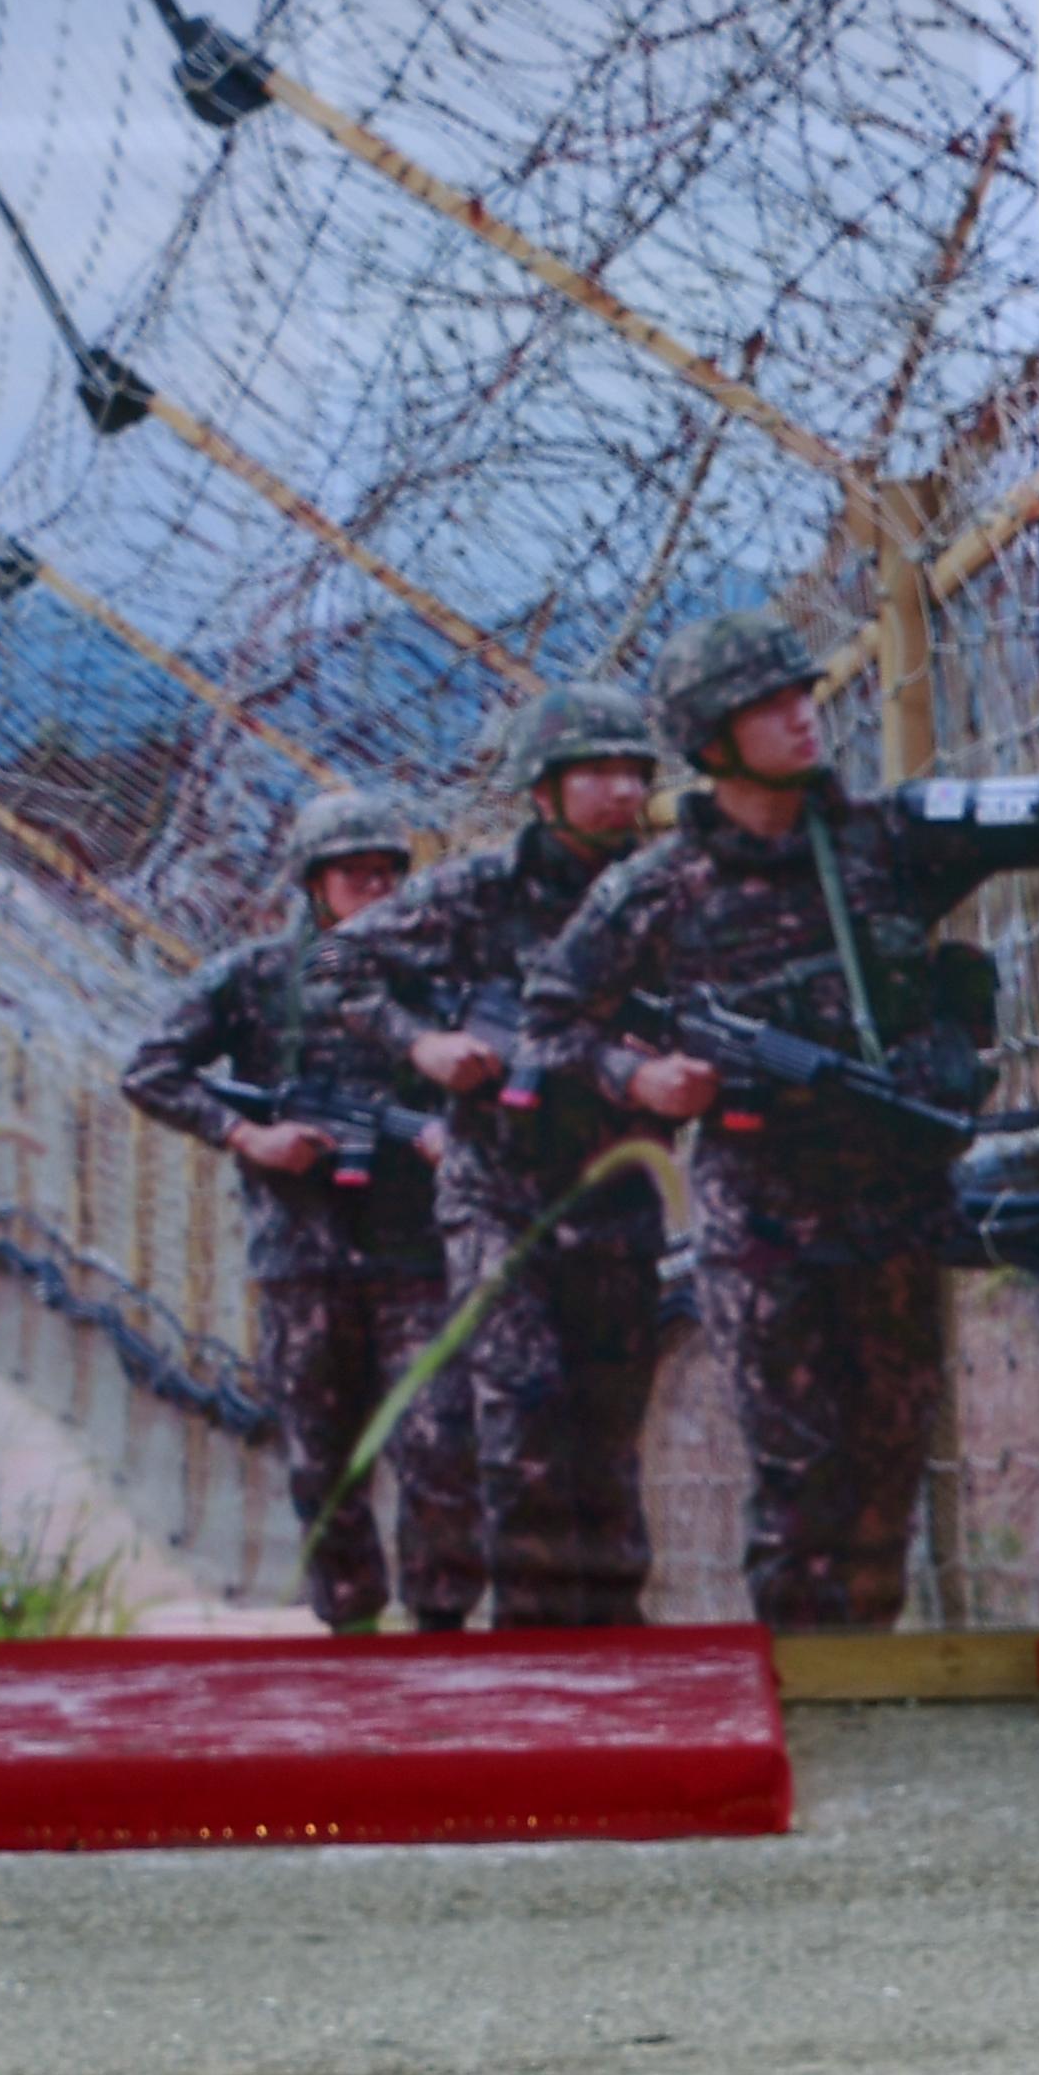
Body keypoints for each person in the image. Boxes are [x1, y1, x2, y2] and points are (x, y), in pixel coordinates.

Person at [520, 614, 1039, 1628]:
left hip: (893, 1204)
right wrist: (641, 1075)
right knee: (797, 1465)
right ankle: (803, 1685)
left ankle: (869, 1670)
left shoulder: (890, 840)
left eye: (802, 695)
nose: (803, 716)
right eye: (769, 705)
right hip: (763, 1218)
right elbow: (547, 1025)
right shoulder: (657, 889)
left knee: (887, 1456)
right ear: (712, 737)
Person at [318, 686, 674, 1627]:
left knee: (606, 1433)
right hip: (496, 1196)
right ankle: (532, 1638)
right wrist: (419, 1043)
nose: (623, 790)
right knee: (518, 1422)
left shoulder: (666, 889)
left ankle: (614, 1640)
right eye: (597, 771)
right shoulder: (475, 892)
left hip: (614, 1193)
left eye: (636, 770)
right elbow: (333, 968)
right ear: (544, 789)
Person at [121, 791, 473, 1632]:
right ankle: (350, 1627)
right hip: (301, 1263)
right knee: (324, 1464)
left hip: (418, 1257)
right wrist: (247, 1134)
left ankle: (442, 1631)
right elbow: (150, 1071)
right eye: (357, 876)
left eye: (389, 873)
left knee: (441, 1448)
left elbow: (493, 1072)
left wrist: (453, 1133)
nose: (378, 890)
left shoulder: (435, 979)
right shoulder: (255, 979)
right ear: (315, 883)